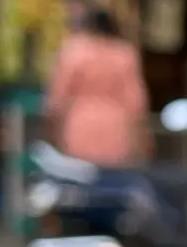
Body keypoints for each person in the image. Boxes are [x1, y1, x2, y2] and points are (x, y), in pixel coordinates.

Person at [46, 9, 149, 167]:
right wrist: (140, 138)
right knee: (111, 181)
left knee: (80, 177)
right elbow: (136, 102)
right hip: (115, 126)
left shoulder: (74, 52)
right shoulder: (124, 55)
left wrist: (54, 129)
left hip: (80, 123)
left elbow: (58, 96)